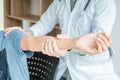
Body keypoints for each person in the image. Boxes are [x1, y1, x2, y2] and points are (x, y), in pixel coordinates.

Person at [4, 0, 120, 80]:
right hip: (65, 71)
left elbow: (94, 44)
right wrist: (26, 33)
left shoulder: (105, 3)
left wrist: (70, 45)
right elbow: (45, 23)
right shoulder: (60, 1)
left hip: (92, 73)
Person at [1, 29, 110, 80]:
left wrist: (74, 43)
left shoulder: (9, 37)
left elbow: (33, 42)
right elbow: (45, 22)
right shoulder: (60, 3)